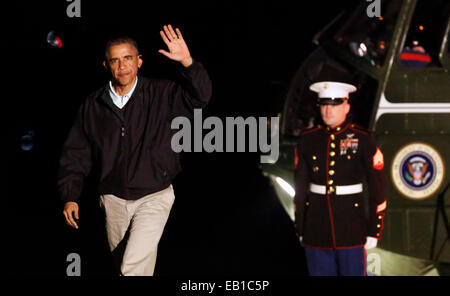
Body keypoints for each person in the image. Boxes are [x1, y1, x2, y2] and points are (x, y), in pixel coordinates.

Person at [58, 25, 212, 276]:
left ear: (139, 61)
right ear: (106, 65)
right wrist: (70, 195)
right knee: (128, 266)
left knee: (131, 269)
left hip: (154, 195)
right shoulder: (94, 104)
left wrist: (187, 62)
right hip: (113, 199)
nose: (122, 66)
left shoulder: (162, 93)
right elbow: (77, 151)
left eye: (128, 58)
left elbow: (200, 97)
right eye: (115, 61)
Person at [293, 81, 386, 276]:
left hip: (351, 228)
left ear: (346, 106)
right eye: (324, 105)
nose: (328, 110)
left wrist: (373, 230)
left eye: (334, 105)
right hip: (316, 229)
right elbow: (300, 190)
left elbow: (377, 188)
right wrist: (301, 227)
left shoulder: (362, 139)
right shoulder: (308, 140)